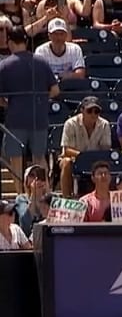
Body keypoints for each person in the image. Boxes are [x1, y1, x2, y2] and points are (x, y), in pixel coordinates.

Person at [0, 26, 59, 194]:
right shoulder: (41, 62)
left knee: (16, 160)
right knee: (39, 158)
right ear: (26, 41)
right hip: (38, 117)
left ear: (10, 42)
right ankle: (42, 194)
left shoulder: (4, 65)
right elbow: (55, 90)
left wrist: (8, 104)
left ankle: (21, 195)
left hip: (15, 118)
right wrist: (39, 100)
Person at [58, 96, 113, 196]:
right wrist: (83, 157)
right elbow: (66, 150)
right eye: (89, 111)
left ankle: (105, 195)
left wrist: (91, 158)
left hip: (96, 160)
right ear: (82, 110)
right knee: (66, 162)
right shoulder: (70, 124)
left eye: (96, 111)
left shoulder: (104, 124)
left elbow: (105, 149)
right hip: (74, 158)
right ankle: (66, 197)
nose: (93, 114)